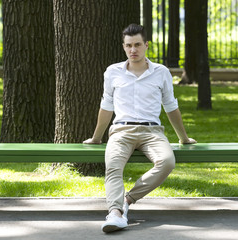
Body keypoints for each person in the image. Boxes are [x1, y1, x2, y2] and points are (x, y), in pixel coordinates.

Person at [83, 23, 196, 233]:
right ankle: (115, 213)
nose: (132, 50)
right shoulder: (112, 72)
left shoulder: (161, 72)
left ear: (146, 45)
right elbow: (106, 106)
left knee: (167, 162)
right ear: (124, 47)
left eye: (137, 45)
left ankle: (127, 200)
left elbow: (171, 106)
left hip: (152, 132)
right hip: (121, 131)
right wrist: (97, 137)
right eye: (128, 46)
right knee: (113, 167)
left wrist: (184, 138)